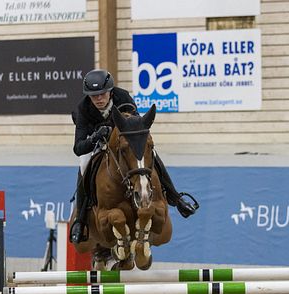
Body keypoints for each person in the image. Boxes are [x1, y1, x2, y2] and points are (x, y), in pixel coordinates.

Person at [70, 69, 198, 244]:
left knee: (151, 153)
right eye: (94, 96)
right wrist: (95, 137)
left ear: (110, 91)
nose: (99, 99)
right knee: (84, 165)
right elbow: (78, 148)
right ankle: (81, 219)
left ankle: (176, 198)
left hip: (123, 143)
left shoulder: (123, 97)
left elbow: (137, 126)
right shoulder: (83, 108)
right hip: (98, 145)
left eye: (102, 94)